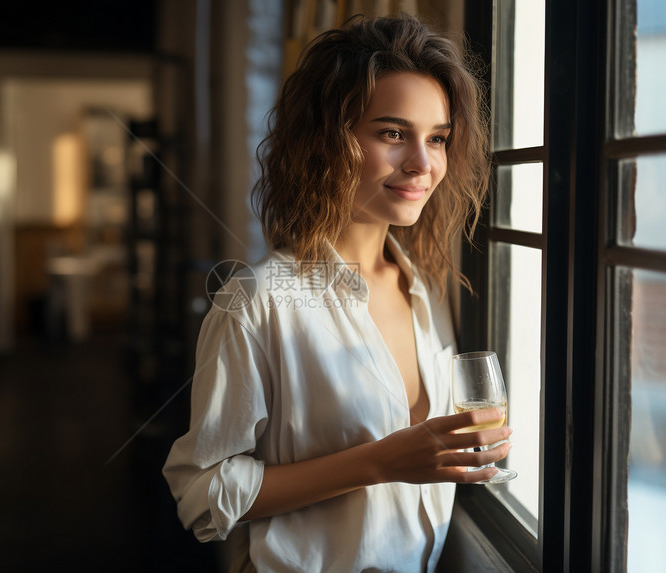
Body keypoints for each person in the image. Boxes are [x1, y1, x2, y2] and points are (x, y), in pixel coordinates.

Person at [163, 13, 512, 573]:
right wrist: (379, 462)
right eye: (393, 134)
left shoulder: (423, 287)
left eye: (439, 138)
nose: (424, 164)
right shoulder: (258, 300)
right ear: (328, 140)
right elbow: (201, 496)